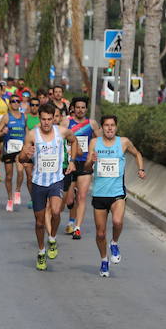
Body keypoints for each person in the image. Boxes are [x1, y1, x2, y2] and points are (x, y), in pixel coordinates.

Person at [18, 102, 81, 271]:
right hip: (38, 182)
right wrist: (26, 155)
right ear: (39, 119)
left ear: (54, 119)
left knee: (56, 211)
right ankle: (41, 251)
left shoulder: (62, 132)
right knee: (39, 223)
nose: (46, 122)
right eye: (43, 119)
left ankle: (52, 239)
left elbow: (74, 141)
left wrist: (73, 161)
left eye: (49, 119)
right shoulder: (32, 135)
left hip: (56, 180)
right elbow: (21, 159)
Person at [83, 115, 146, 277]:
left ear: (116, 127)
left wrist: (141, 169)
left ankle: (114, 243)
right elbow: (87, 167)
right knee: (100, 233)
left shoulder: (123, 142)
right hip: (99, 193)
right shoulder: (94, 143)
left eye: (112, 125)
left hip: (117, 192)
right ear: (102, 128)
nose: (109, 128)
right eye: (106, 125)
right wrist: (91, 161)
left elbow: (137, 153)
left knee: (117, 222)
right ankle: (104, 260)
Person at [63, 97, 102, 239]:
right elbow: (59, 138)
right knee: (69, 200)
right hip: (70, 163)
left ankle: (77, 227)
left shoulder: (91, 124)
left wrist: (97, 153)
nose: (80, 110)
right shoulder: (66, 122)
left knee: (82, 196)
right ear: (73, 108)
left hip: (85, 164)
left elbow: (100, 140)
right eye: (78, 107)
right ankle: (71, 219)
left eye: (83, 107)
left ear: (86, 109)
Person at [0, 93, 27, 211]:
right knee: (8, 176)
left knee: (20, 171)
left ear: (20, 103)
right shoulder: (6, 117)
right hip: (9, 149)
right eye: (13, 101)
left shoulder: (24, 117)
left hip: (20, 149)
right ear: (10, 104)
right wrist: (2, 132)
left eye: (17, 101)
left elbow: (27, 132)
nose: (15, 103)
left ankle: (17, 191)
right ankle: (9, 199)